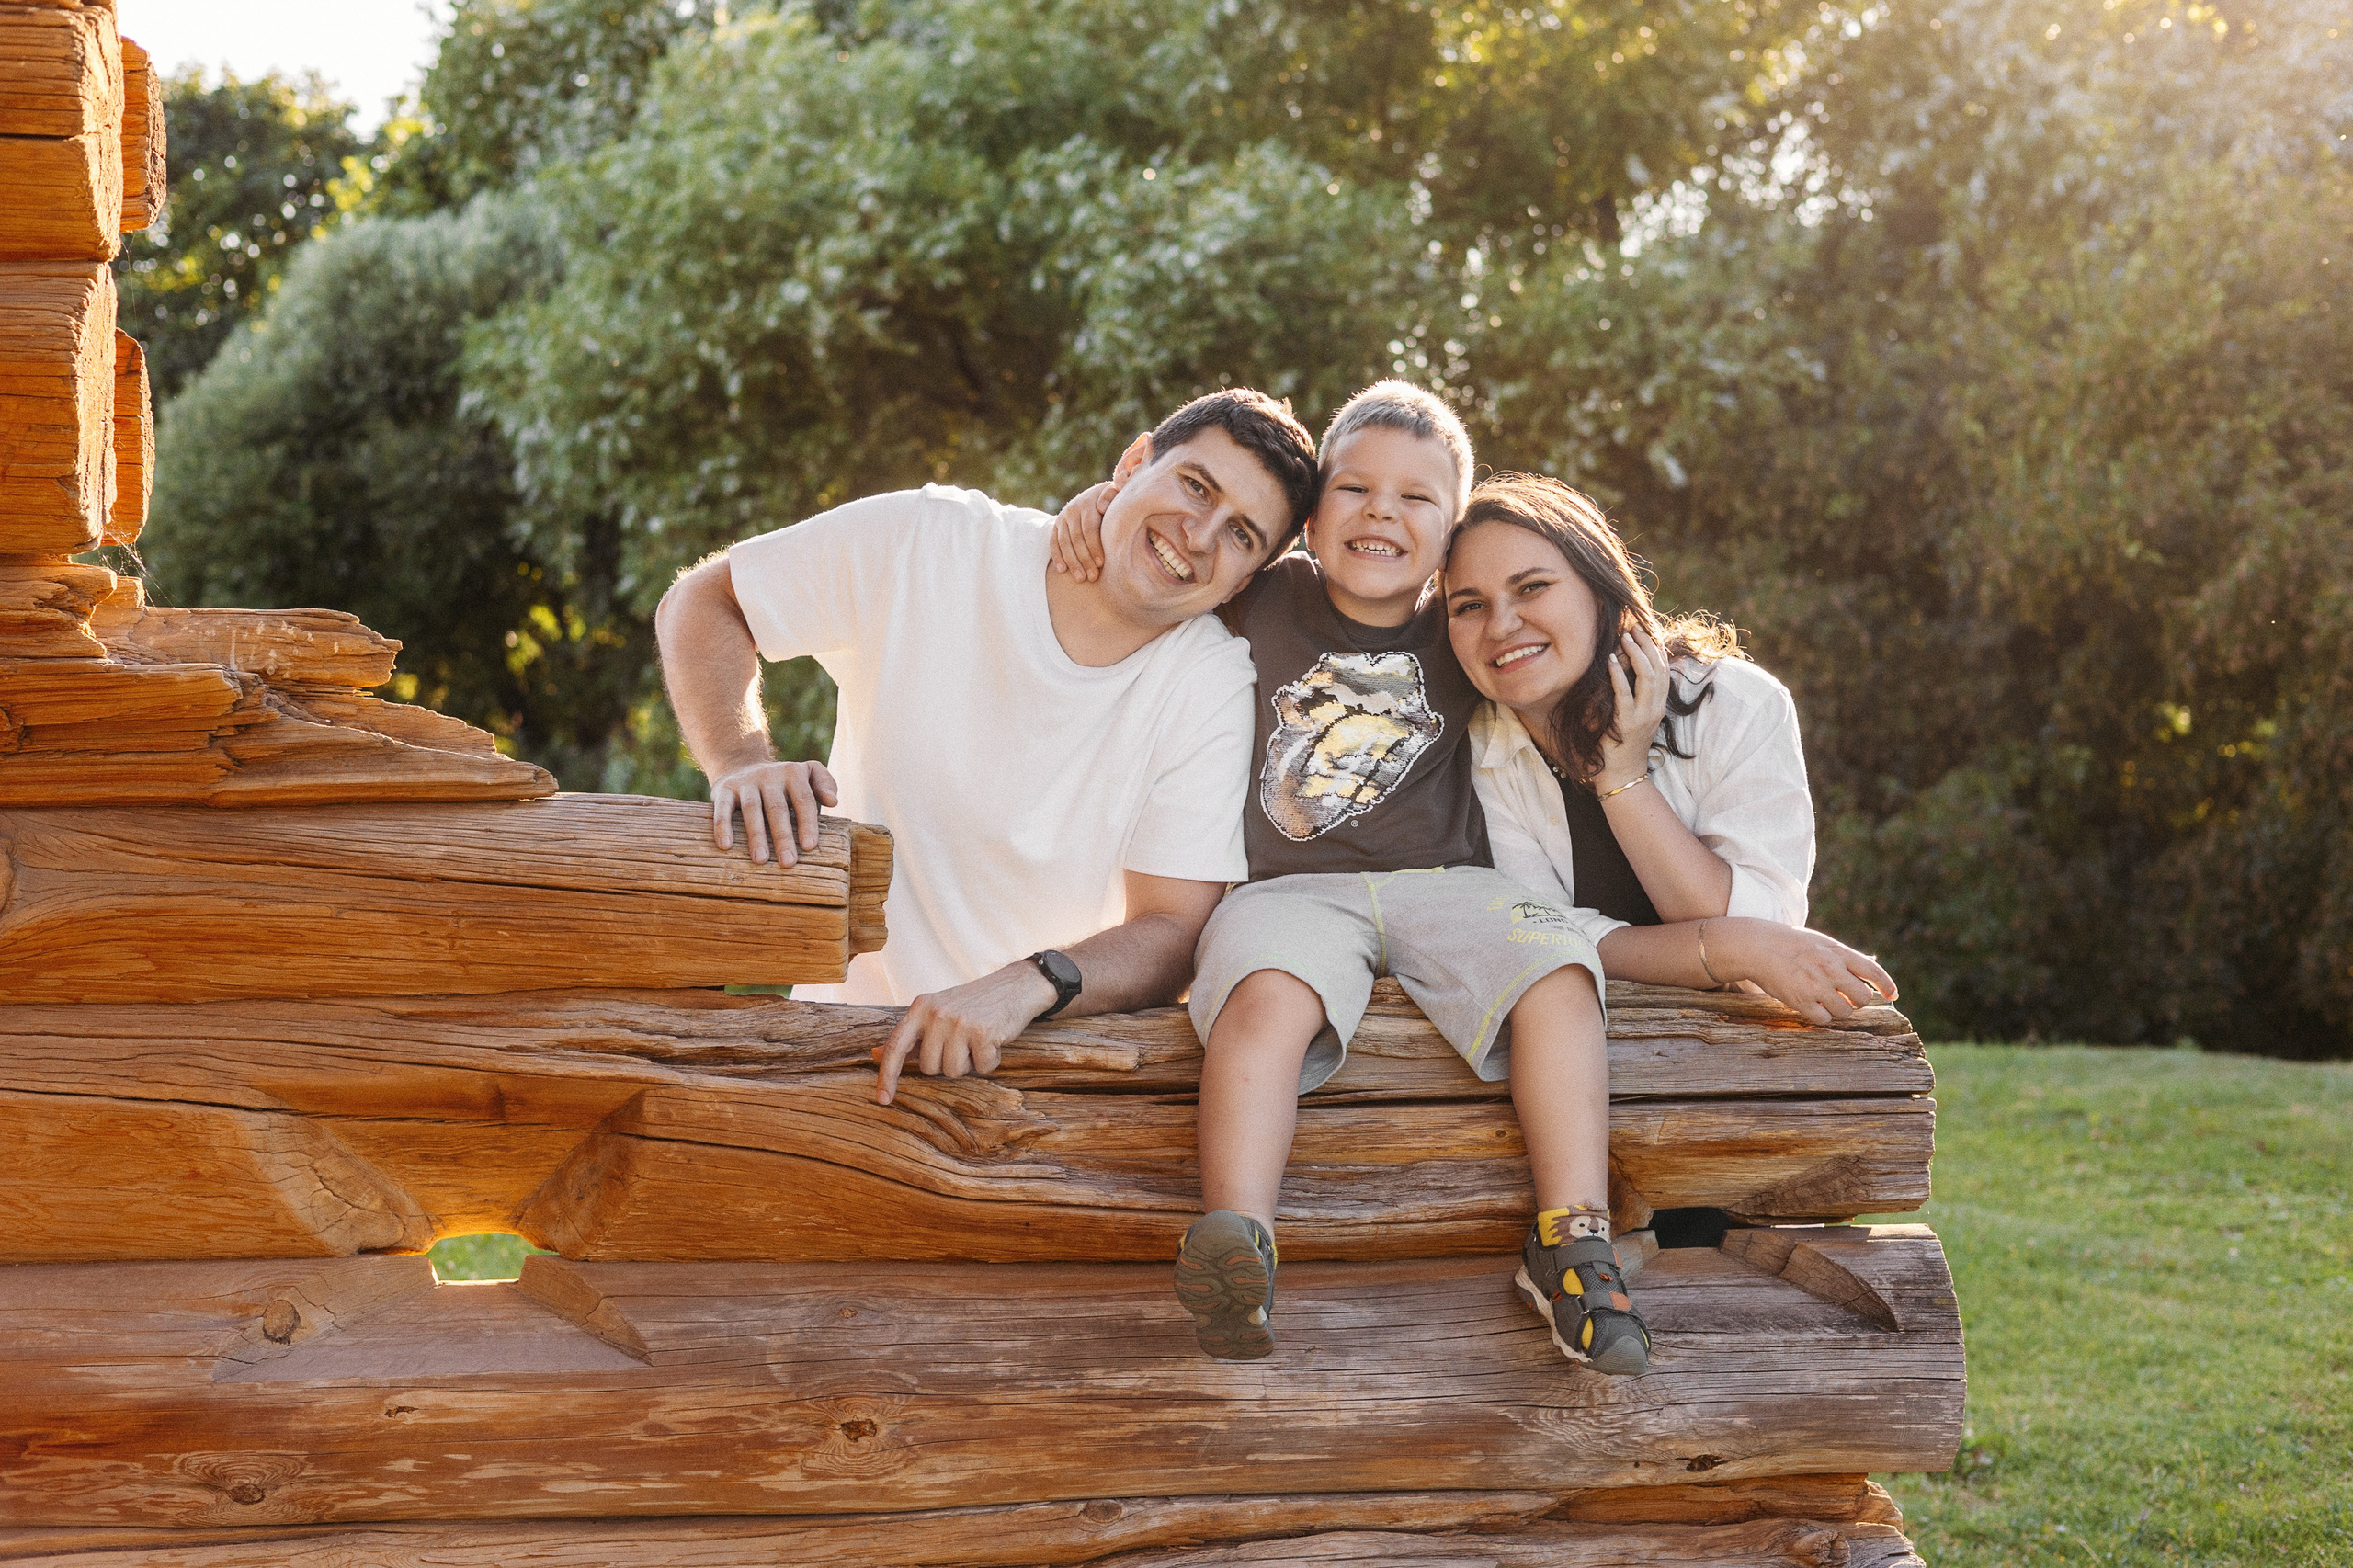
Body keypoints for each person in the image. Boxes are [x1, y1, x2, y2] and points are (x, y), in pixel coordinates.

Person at [1051, 382, 1647, 1376]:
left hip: (1444, 880)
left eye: (1418, 499)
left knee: (1552, 964)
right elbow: (1160, 551)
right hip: (1281, 888)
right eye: (1355, 488)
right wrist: (1087, 504)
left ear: (1452, 530)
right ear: (1312, 514)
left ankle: (1572, 1236)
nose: (1381, 510)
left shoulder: (1463, 622)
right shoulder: (1257, 592)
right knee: (1261, 997)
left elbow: (1561, 634)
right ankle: (1237, 1235)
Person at [654, 390, 1320, 1106]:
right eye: (1195, 486)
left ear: (1245, 580)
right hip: (831, 1056)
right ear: (1133, 463)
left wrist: (1026, 985)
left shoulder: (1211, 681)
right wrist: (742, 760)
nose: (1198, 535)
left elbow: (1172, 928)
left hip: (1032, 1093)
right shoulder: (936, 540)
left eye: (1241, 534)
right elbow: (705, 602)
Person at [1442, 472, 1897, 1024]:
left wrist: (1622, 781)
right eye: (1469, 606)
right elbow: (1544, 939)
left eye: (1532, 587)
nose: (1502, 624)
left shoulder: (1737, 705)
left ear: (1599, 588)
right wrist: (1733, 946)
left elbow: (1759, 924)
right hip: (1579, 1049)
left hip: (1743, 1048)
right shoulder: (1472, 746)